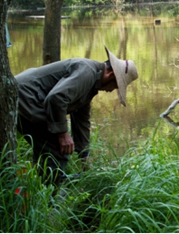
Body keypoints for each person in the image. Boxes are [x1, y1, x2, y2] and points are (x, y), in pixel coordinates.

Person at [15, 46, 138, 187]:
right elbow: (56, 98)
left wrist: (84, 155)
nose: (111, 91)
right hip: (25, 96)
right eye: (115, 87)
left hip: (30, 98)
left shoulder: (92, 83)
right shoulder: (87, 72)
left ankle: (40, 187)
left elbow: (81, 119)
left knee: (49, 148)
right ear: (111, 76)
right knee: (56, 147)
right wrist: (62, 134)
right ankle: (50, 198)